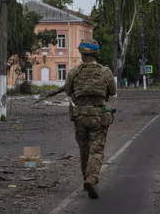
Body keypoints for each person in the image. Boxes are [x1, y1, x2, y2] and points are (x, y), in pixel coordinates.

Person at [44, 39, 116, 199]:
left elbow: (68, 91)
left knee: (84, 150)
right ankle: (91, 178)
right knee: (96, 150)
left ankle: (86, 178)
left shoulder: (74, 72)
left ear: (82, 53)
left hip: (80, 118)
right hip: (99, 116)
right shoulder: (105, 72)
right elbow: (112, 91)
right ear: (96, 53)